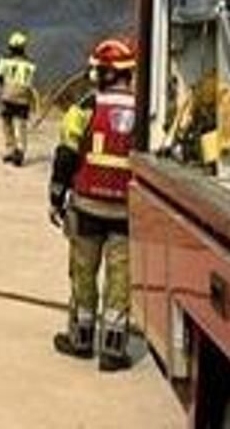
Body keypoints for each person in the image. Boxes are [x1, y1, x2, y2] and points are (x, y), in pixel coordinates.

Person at [49, 37, 139, 372]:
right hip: (127, 214)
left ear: (103, 72)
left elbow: (66, 155)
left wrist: (56, 197)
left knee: (83, 275)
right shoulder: (148, 110)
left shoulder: (85, 107)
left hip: (86, 209)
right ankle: (114, 351)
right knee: (120, 280)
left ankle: (81, 340)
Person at [0, 31, 38, 166]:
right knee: (21, 125)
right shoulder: (30, 64)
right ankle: (20, 152)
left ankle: (10, 150)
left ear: (11, 47)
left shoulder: (4, 60)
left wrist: (2, 83)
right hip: (23, 99)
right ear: (23, 47)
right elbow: (30, 82)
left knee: (7, 123)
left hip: (7, 97)